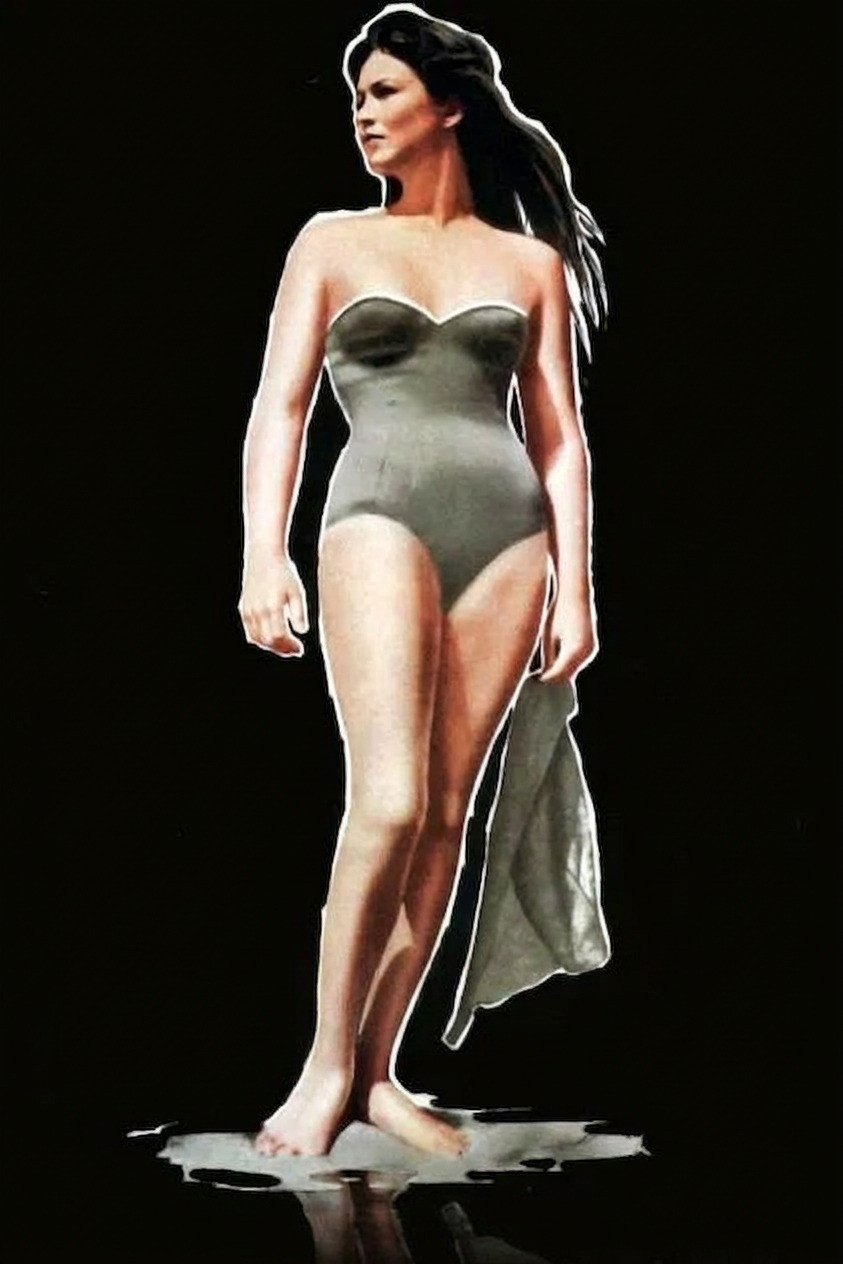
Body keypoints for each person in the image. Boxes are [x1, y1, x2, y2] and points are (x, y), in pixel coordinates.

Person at [238, 3, 607, 1159]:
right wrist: (262, 552)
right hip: (376, 516)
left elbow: (559, 435)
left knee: (447, 813)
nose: (362, 113)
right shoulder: (330, 241)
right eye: (357, 97)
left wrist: (578, 587)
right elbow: (280, 407)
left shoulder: (529, 263)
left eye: (383, 92)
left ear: (448, 105)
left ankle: (377, 1071)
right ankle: (323, 1065)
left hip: (508, 536)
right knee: (390, 800)